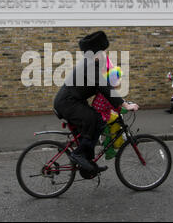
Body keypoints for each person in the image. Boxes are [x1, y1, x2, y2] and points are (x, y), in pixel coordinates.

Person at [53, 31, 139, 172]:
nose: (105, 54)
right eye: (103, 51)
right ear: (95, 53)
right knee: (96, 120)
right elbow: (105, 88)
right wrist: (125, 104)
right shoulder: (89, 66)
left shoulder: (91, 65)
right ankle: (78, 154)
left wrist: (122, 101)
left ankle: (88, 164)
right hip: (68, 103)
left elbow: (106, 87)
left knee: (92, 125)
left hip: (73, 102)